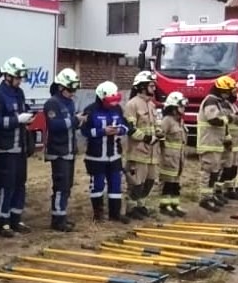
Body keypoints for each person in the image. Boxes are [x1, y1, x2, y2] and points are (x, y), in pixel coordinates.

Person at [0, 57, 36, 237]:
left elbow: (21, 113)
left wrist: (27, 119)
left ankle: (16, 219)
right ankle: (3, 222)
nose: (20, 80)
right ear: (7, 76)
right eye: (17, 77)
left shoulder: (19, 93)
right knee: (6, 186)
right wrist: (17, 120)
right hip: (6, 148)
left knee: (20, 184)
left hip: (20, 147)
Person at [82, 81, 130, 223]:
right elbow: (84, 131)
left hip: (114, 155)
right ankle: (98, 214)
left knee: (116, 184)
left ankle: (115, 214)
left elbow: (126, 126)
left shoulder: (118, 109)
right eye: (110, 101)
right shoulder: (90, 110)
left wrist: (119, 130)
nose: (112, 104)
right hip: (96, 156)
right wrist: (102, 131)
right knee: (97, 185)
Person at [43, 68, 83, 232]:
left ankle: (62, 215)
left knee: (67, 185)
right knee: (60, 185)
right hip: (58, 151)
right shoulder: (52, 103)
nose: (73, 93)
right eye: (71, 89)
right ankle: (58, 220)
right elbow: (54, 125)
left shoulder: (70, 103)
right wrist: (75, 120)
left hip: (69, 150)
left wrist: (80, 121)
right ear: (61, 87)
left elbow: (71, 125)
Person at [196, 76, 236, 211]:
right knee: (208, 172)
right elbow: (214, 120)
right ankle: (204, 199)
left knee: (214, 172)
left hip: (215, 143)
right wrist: (229, 118)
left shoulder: (216, 102)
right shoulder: (211, 101)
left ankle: (210, 195)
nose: (229, 94)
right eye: (228, 91)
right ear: (221, 90)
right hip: (208, 143)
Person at [123, 71, 159, 220]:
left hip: (152, 152)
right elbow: (130, 128)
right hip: (137, 151)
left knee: (150, 180)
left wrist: (159, 132)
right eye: (151, 85)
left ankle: (141, 205)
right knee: (136, 182)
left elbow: (155, 124)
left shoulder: (151, 105)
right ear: (142, 87)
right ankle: (131, 208)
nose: (154, 88)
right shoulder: (132, 104)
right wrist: (146, 138)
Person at [157, 91, 189, 217]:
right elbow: (159, 135)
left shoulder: (179, 121)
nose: (184, 108)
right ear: (174, 108)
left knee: (175, 183)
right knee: (167, 182)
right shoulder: (167, 120)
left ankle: (175, 204)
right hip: (168, 158)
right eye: (181, 106)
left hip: (178, 158)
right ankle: (164, 206)